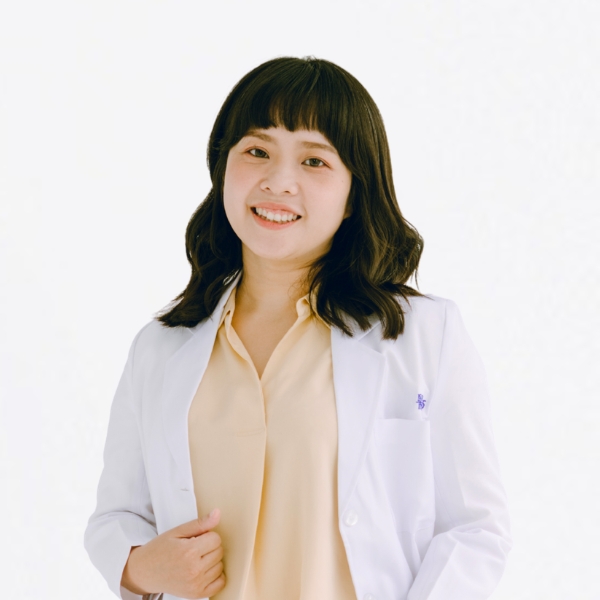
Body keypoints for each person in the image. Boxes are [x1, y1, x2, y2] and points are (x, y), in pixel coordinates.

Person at [84, 56, 512, 600]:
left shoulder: (423, 336)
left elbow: (475, 529)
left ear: (354, 193)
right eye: (257, 151)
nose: (278, 182)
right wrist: (140, 567)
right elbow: (116, 515)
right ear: (222, 168)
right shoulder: (160, 348)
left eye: (314, 161)